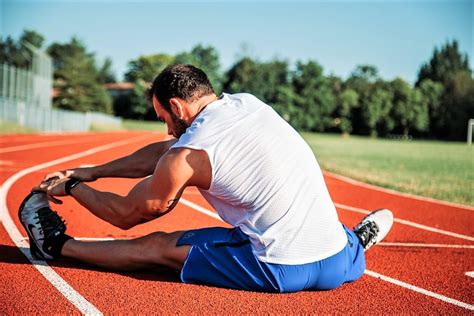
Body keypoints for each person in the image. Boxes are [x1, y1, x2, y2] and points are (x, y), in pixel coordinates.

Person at [19, 64, 393, 293]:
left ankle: (56, 247)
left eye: (163, 117)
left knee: (157, 247)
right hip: (337, 263)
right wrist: (93, 171)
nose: (165, 127)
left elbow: (127, 213)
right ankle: (355, 243)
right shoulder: (247, 104)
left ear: (178, 107)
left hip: (278, 267)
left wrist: (73, 186)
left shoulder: (187, 155)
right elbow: (166, 152)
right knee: (311, 213)